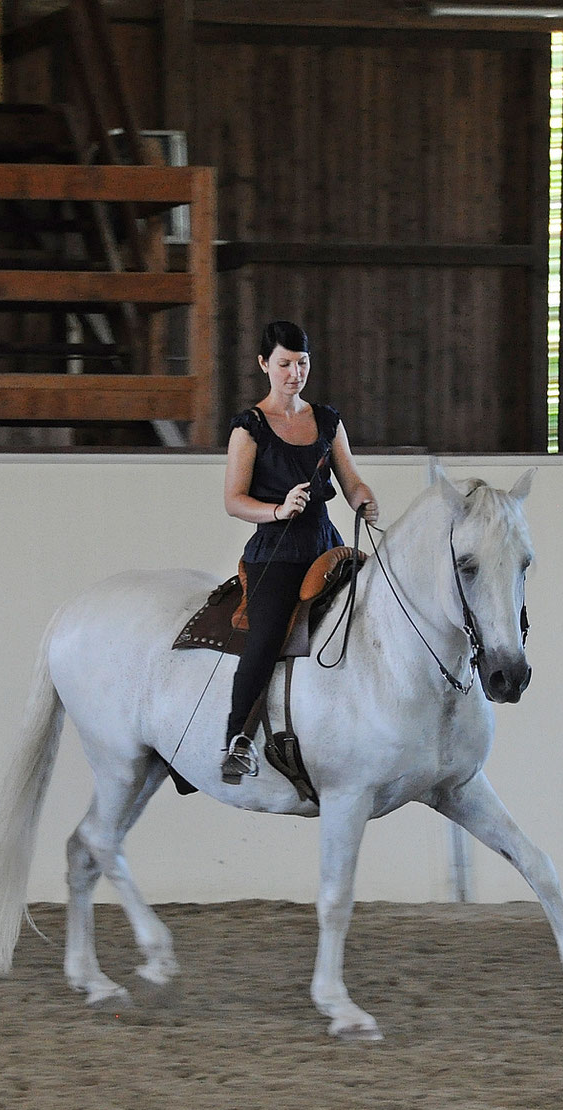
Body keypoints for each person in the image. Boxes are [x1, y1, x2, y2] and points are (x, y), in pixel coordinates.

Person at [221, 321, 380, 783]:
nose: (295, 373)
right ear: (264, 365)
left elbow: (351, 481)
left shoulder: (327, 419)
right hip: (275, 550)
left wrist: (364, 499)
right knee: (268, 635)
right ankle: (236, 740)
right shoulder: (248, 428)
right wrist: (277, 508)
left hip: (325, 545)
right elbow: (233, 500)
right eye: (285, 364)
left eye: (302, 363)